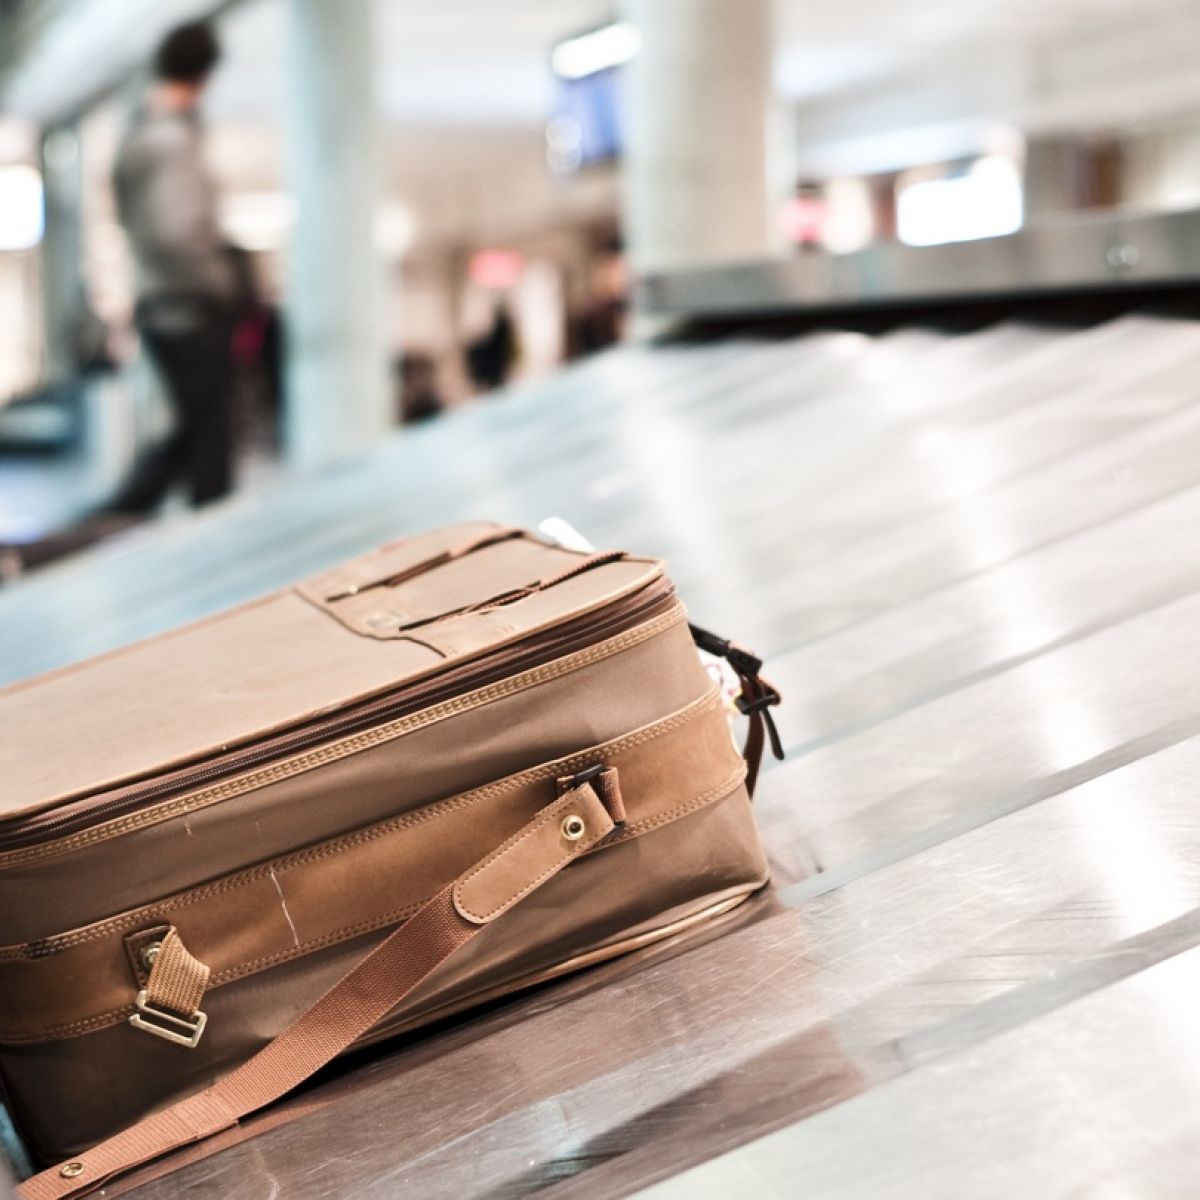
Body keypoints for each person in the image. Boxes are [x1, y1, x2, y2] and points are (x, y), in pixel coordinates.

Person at [107, 21, 236, 513]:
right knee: (208, 440)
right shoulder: (171, 140)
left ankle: (119, 513)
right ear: (205, 75)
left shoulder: (138, 130)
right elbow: (178, 231)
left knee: (193, 428)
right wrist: (221, 285)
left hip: (160, 299)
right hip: (188, 306)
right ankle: (123, 515)